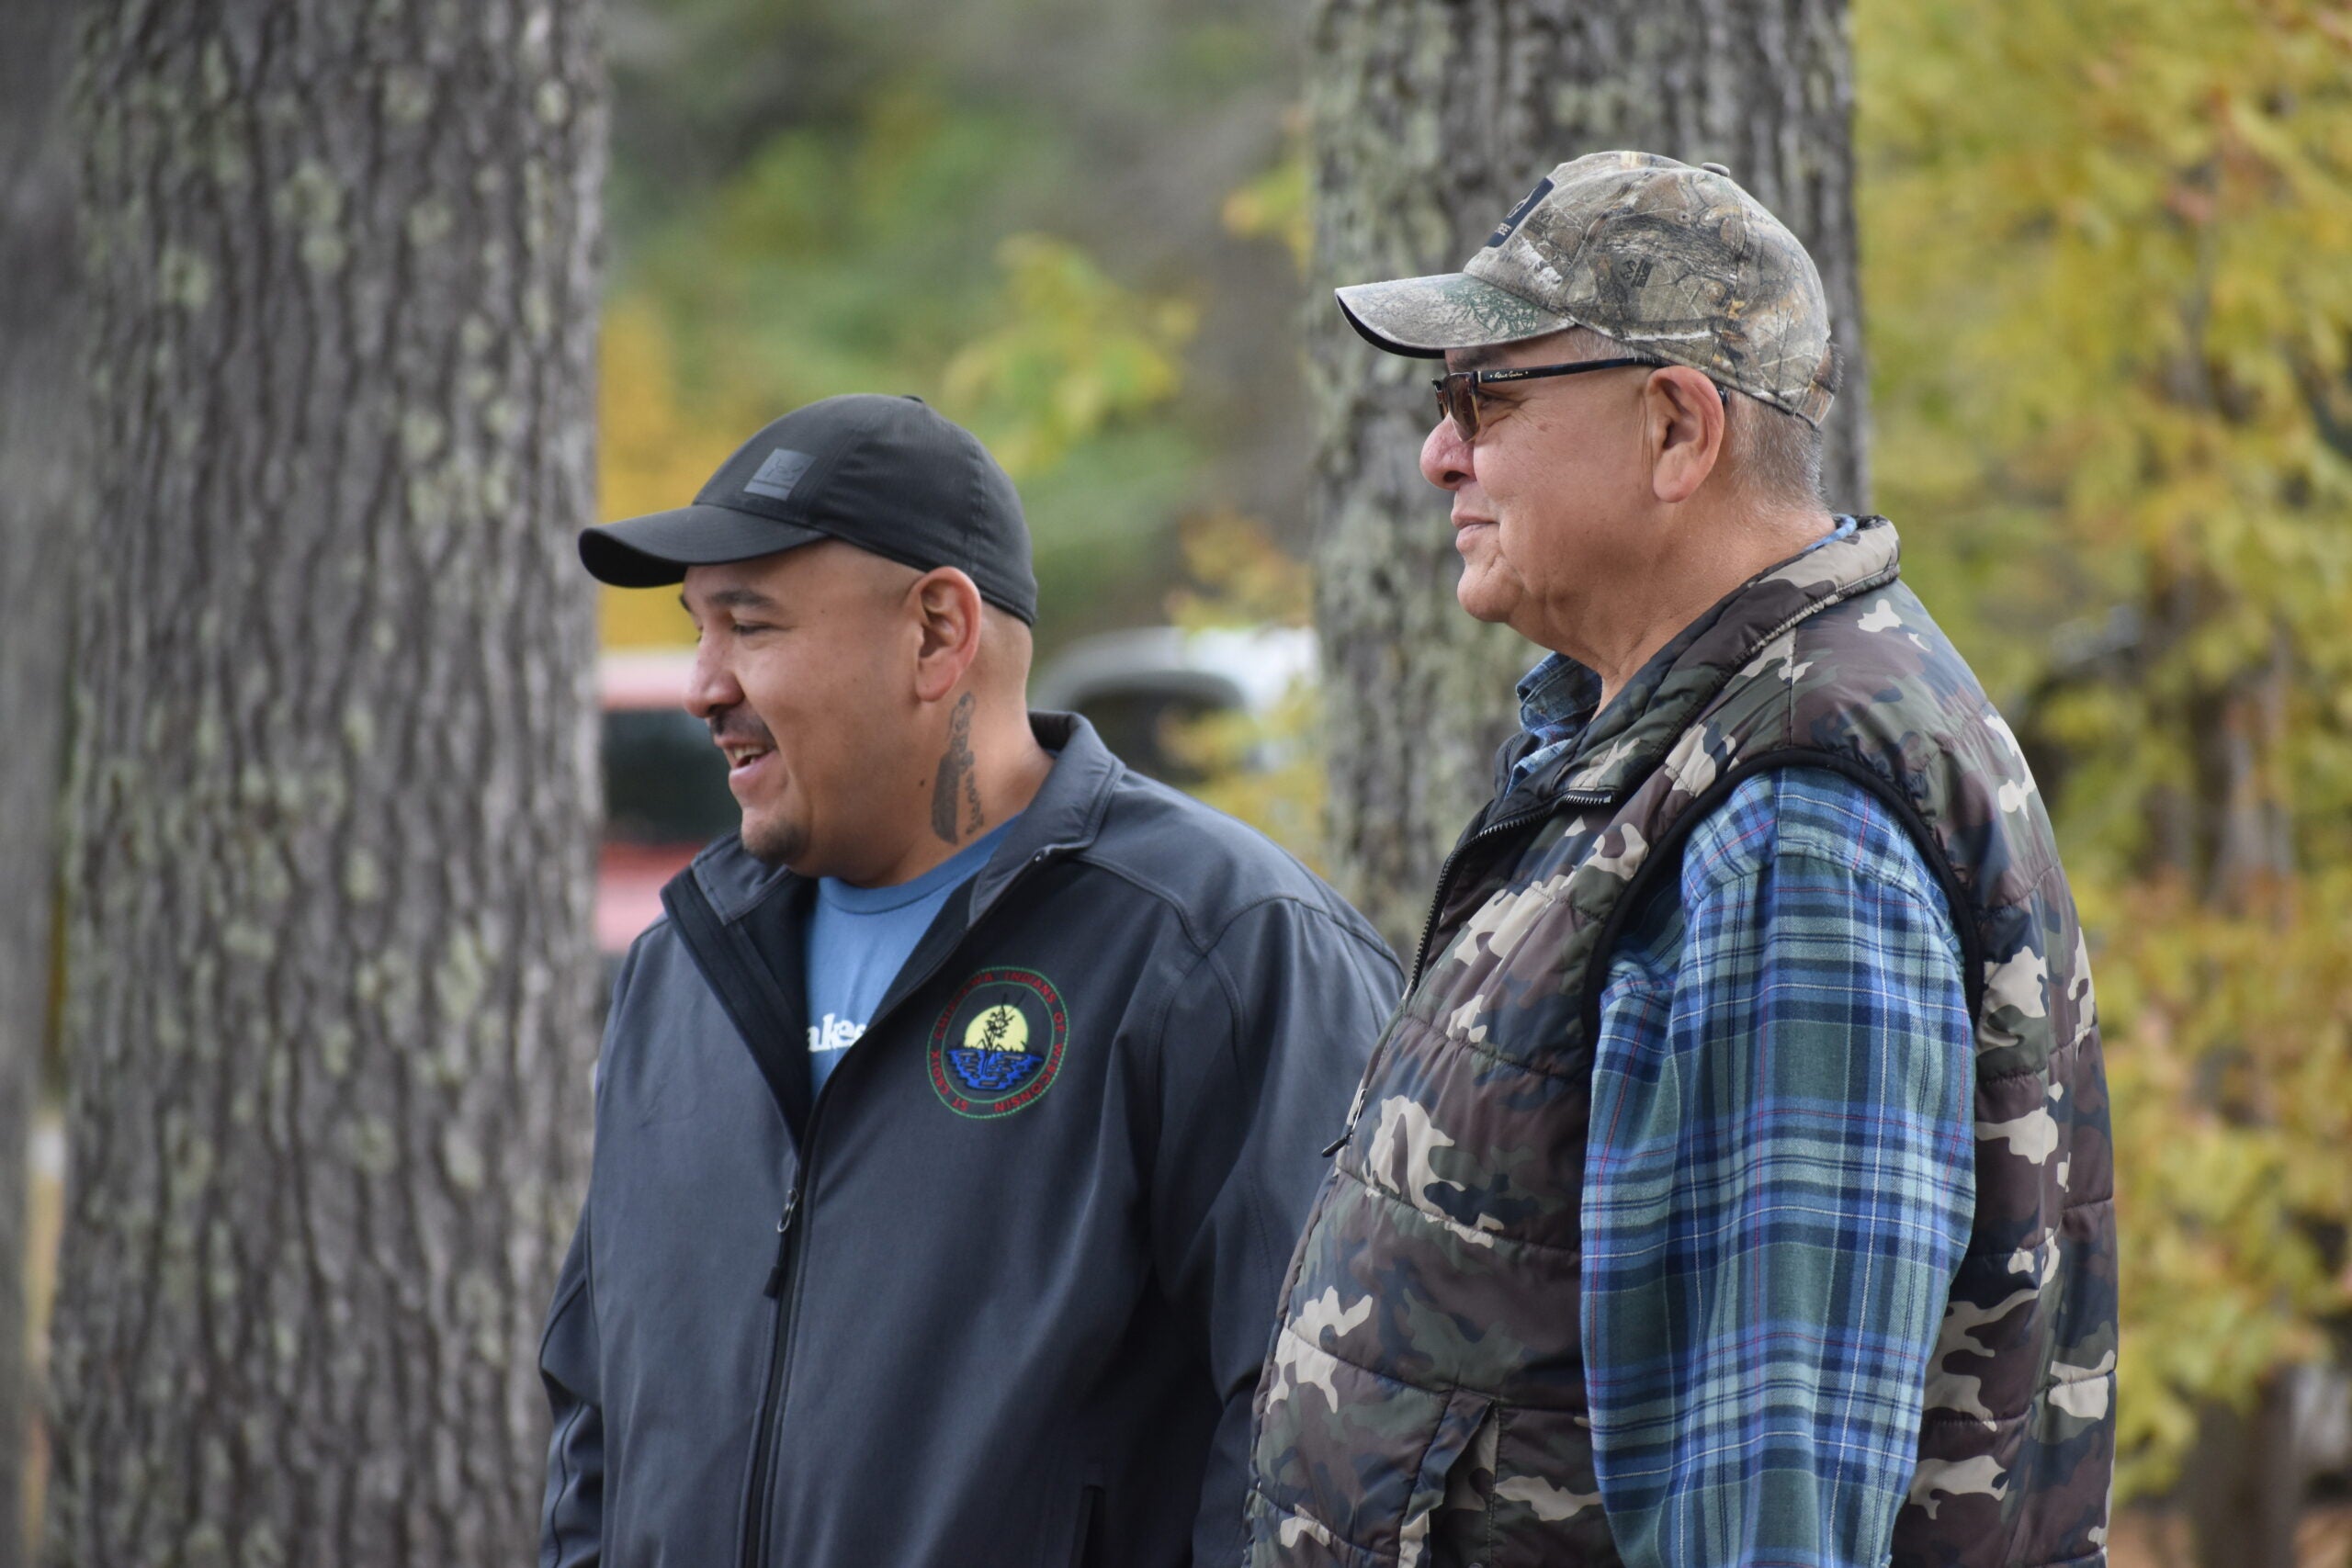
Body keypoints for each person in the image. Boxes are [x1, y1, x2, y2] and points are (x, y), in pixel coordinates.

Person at [1245, 152, 2115, 1568]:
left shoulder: (1795, 826)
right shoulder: (1683, 748)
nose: (1439, 452)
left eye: (1488, 395)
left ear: (1674, 429)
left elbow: (1774, 1492)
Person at [538, 393, 1402, 1567]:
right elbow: (597, 1421)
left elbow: (1328, 1447)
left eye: (749, 626)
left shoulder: (1219, 949)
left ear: (938, 633)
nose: (702, 685)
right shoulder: (682, 969)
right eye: (696, 628)